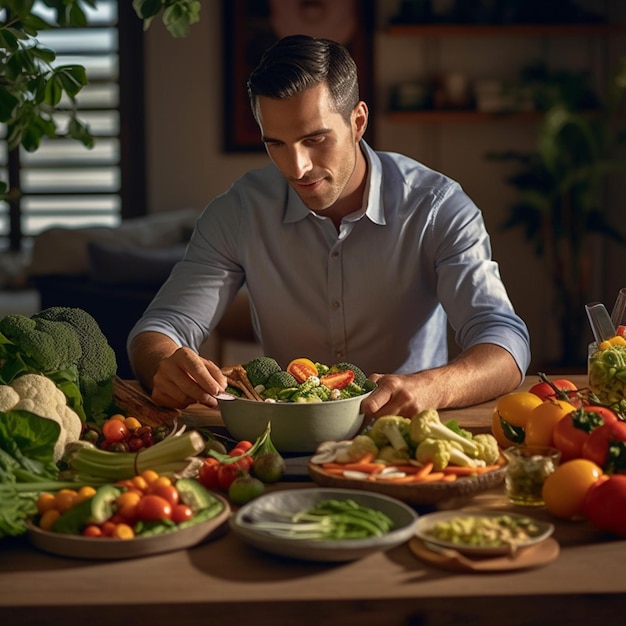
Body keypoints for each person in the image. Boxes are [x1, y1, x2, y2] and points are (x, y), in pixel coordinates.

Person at [128, 34, 531, 418]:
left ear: (357, 122)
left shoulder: (436, 207)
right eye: (276, 145)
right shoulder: (237, 212)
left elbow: (504, 341)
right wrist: (164, 364)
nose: (297, 167)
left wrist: (432, 388)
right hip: (282, 436)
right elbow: (161, 327)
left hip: (406, 436)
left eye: (315, 139)